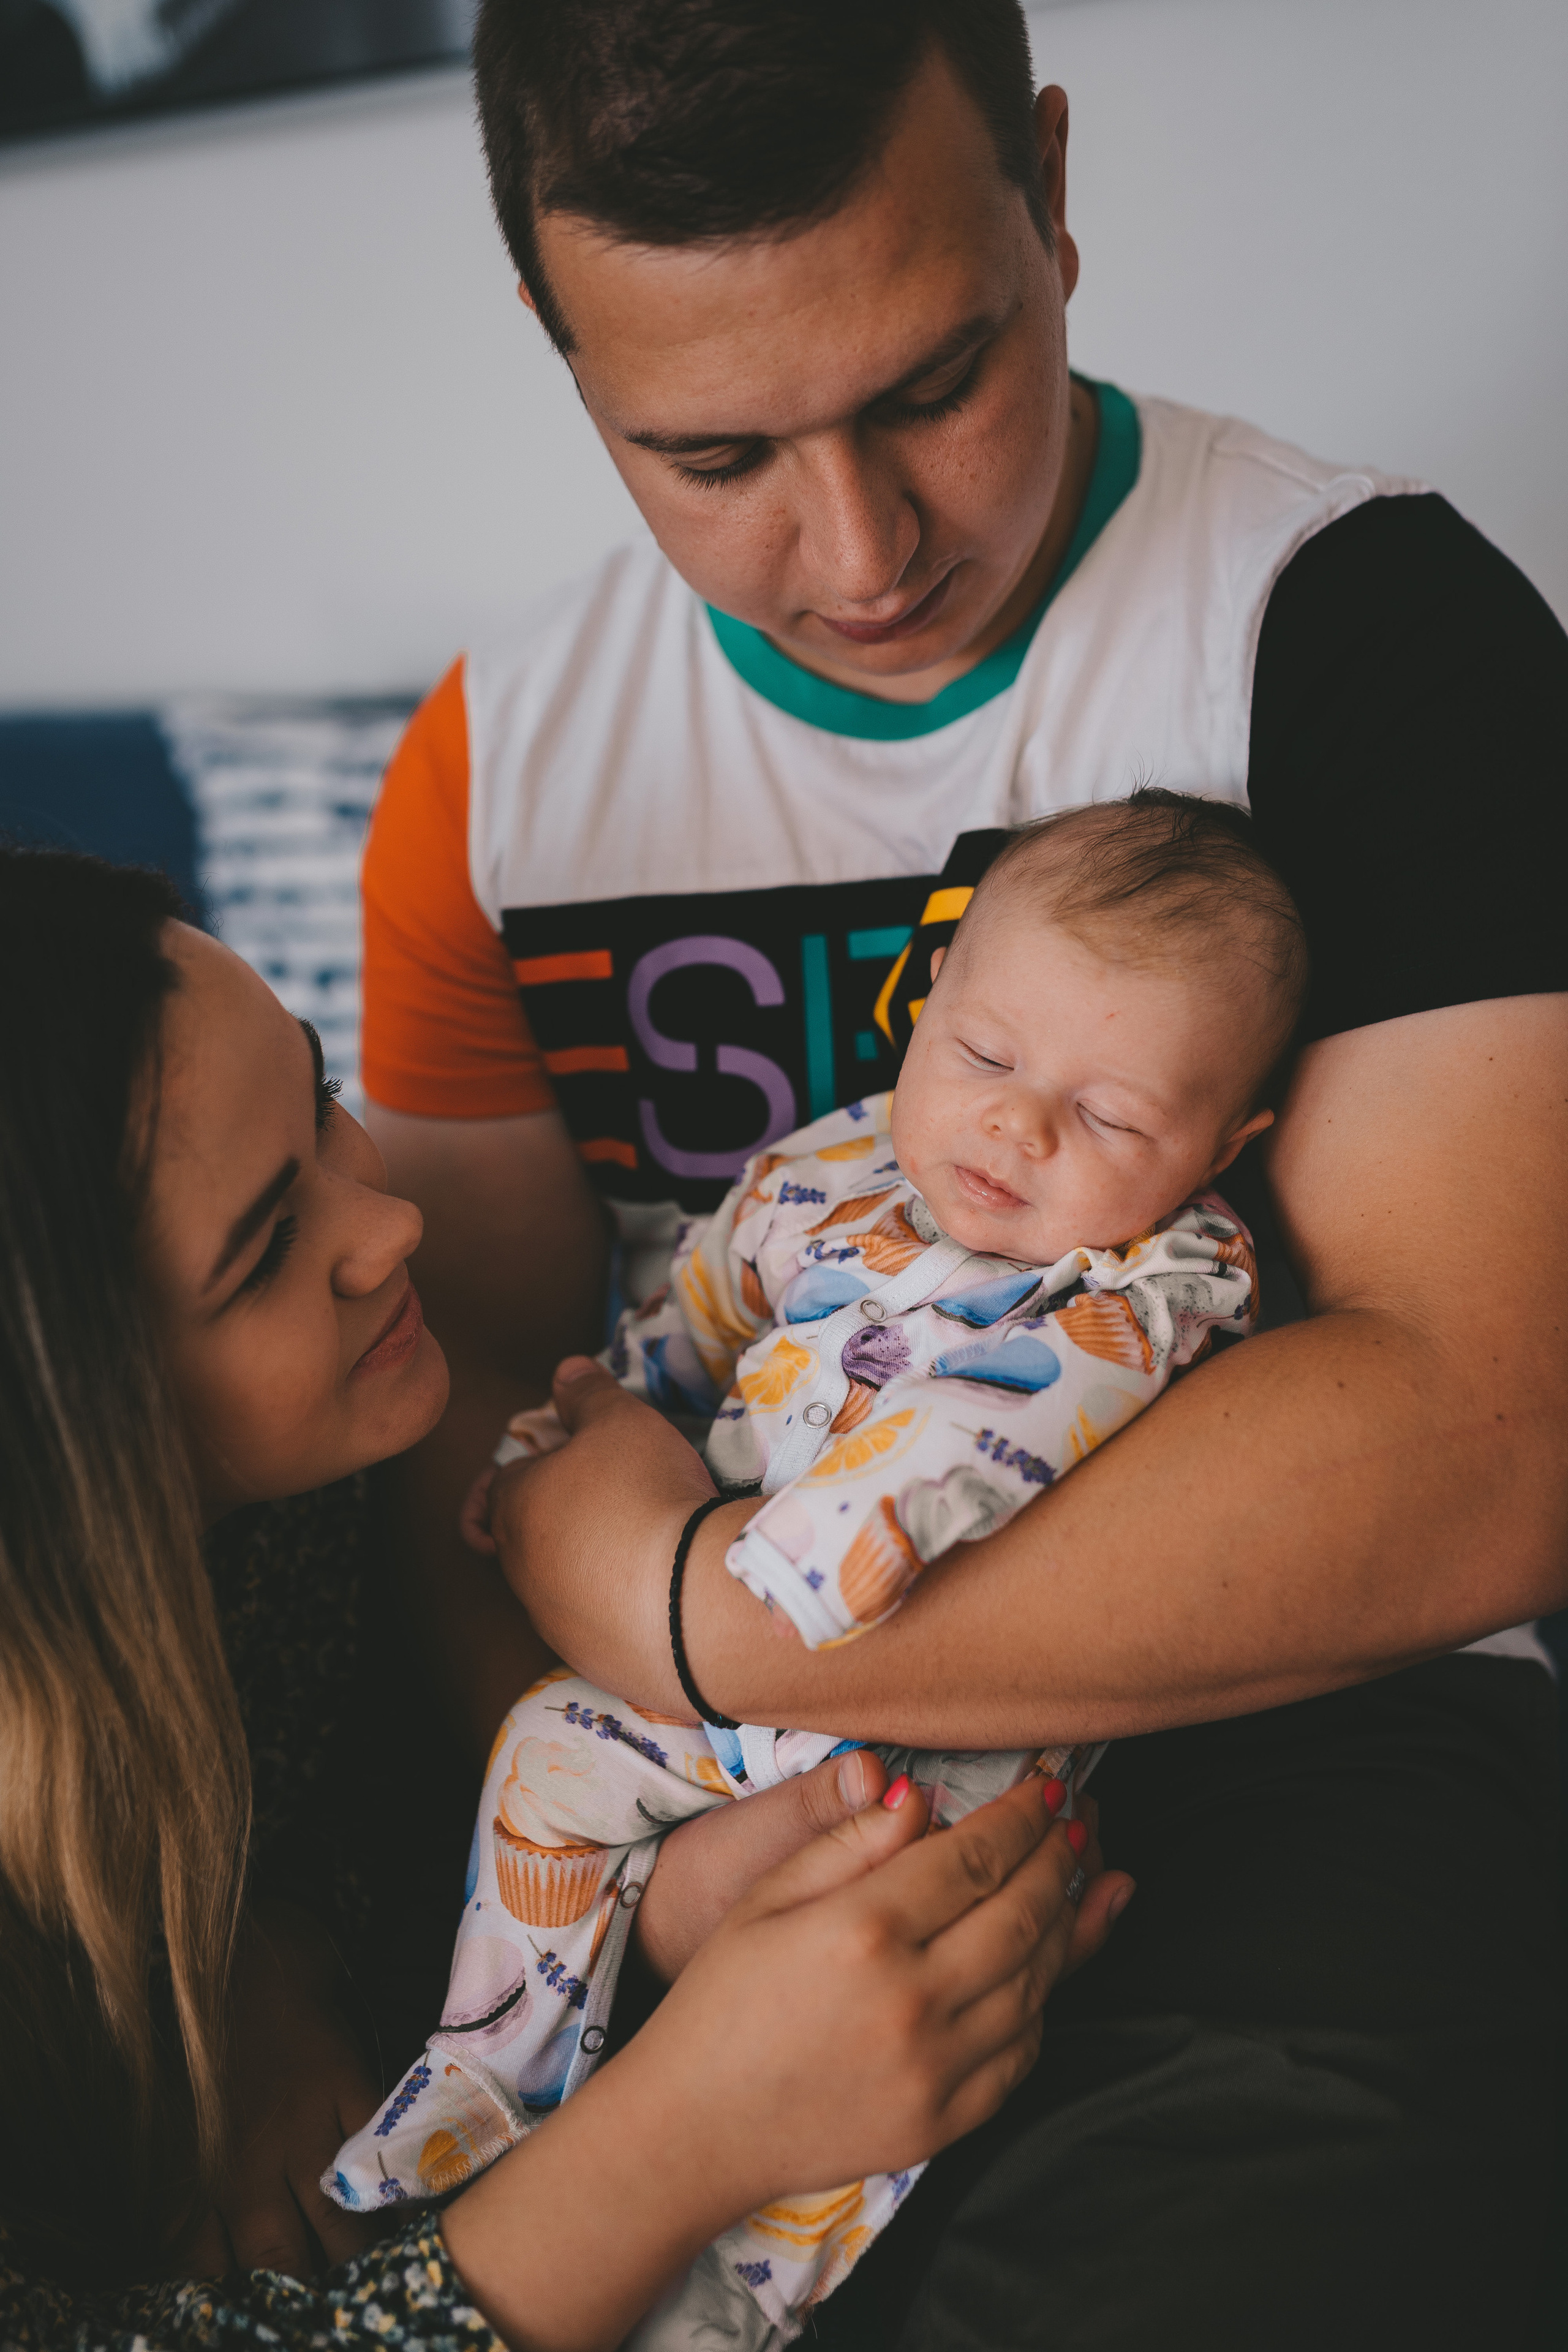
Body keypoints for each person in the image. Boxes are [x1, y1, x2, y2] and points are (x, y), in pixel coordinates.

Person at [358, 1, 1568, 2339]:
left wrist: (726, 1608)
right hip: (702, 1789)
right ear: (551, 329)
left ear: (1047, 177)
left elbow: (1490, 1441)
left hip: (1297, 1741)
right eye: (710, 451)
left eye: (934, 383)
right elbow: (463, 1397)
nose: (861, 544)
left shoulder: (1365, 631)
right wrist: (684, 1852)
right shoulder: (498, 773)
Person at [0, 845, 1121, 2352]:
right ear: (69, 1443)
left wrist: (244, 1945)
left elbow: (398, 1806)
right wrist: (685, 2134)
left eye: (325, 1094)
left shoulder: (310, 1492)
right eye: (268, 1246)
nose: (386, 1226)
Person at [333, 794, 1295, 2342]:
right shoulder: (822, 1172)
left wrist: (832, 1543)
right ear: (924, 1016)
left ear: (1219, 1147)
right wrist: (563, 1438)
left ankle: (736, 2303)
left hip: (942, 1726)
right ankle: (486, 2080)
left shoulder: (1165, 1270)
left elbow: (1030, 1413)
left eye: (1112, 1117)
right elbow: (690, 1320)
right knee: (539, 1755)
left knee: (888, 1986)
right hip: (696, 1661)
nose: (1020, 1125)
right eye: (985, 1058)